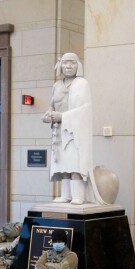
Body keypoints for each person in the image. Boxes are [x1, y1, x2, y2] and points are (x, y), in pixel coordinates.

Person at [42, 52, 93, 205]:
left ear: (78, 66)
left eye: (72, 63)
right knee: (63, 164)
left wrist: (63, 117)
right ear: (60, 66)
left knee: (75, 163)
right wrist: (48, 115)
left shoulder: (82, 83)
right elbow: (52, 106)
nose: (69, 66)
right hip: (59, 131)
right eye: (65, 63)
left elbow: (85, 109)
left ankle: (78, 195)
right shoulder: (56, 85)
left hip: (75, 132)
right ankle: (66, 195)